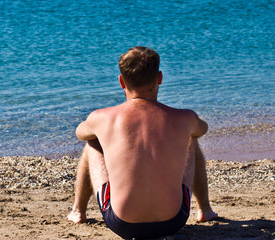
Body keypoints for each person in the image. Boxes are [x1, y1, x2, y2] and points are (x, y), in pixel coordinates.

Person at [67, 46, 217, 239]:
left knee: (92, 142)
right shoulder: (184, 118)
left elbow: (81, 133)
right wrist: (188, 122)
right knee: (191, 138)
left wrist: (99, 127)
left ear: (122, 81)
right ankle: (205, 210)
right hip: (173, 221)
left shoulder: (102, 118)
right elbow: (202, 129)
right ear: (160, 78)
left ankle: (78, 211)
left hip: (122, 224)